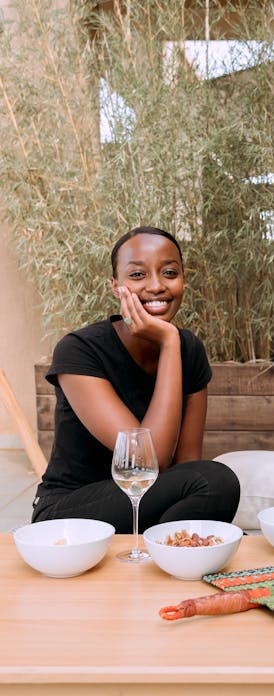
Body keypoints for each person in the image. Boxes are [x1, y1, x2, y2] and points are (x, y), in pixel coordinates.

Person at [32, 226, 240, 533]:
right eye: (138, 275)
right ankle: (160, 550)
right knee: (215, 480)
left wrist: (175, 345)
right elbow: (144, 462)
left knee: (214, 483)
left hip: (146, 505)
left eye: (170, 272)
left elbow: (185, 466)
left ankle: (153, 555)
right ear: (116, 286)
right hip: (71, 510)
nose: (156, 286)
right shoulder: (79, 350)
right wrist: (170, 342)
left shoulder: (191, 350)